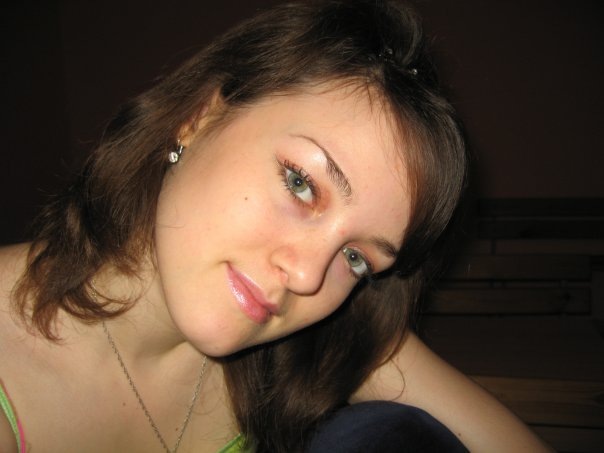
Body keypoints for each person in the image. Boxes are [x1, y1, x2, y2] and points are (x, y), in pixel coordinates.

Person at [0, 1, 552, 452]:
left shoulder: (322, 347)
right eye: (301, 183)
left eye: (356, 258)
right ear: (199, 118)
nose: (308, 277)